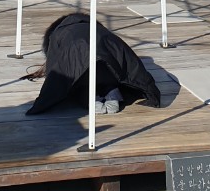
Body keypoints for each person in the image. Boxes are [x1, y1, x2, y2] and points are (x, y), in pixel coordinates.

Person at [25, 13, 162, 115]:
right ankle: (111, 89)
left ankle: (88, 99)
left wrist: (42, 103)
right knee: (106, 71)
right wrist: (149, 90)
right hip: (110, 70)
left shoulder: (59, 35)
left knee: (75, 82)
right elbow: (130, 63)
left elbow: (56, 70)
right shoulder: (102, 32)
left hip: (82, 69)